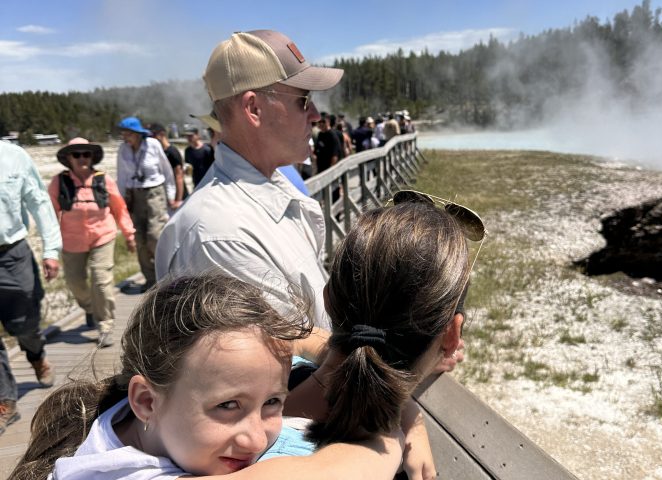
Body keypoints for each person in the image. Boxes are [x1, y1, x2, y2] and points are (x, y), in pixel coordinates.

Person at [10, 274, 404, 480]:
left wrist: (344, 354)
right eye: (228, 406)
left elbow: (297, 343)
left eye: (272, 402)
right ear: (146, 401)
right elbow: (340, 474)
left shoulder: (129, 421)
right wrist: (398, 423)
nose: (255, 439)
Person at [280, 195, 484, 479]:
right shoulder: (388, 462)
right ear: (452, 335)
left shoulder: (246, 407)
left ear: (327, 298)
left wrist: (409, 412)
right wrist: (404, 409)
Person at [156, 30, 344, 331]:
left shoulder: (264, 193)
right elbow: (291, 368)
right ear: (254, 108)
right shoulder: (218, 235)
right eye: (303, 100)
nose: (316, 115)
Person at [47, 138, 136, 348]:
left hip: (102, 236)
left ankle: (105, 325)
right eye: (76, 155)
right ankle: (89, 307)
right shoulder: (59, 182)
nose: (82, 158)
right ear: (68, 158)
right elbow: (50, 213)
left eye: (86, 154)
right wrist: (50, 247)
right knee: (75, 283)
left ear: (92, 157)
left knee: (101, 280)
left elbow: (119, 208)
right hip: (71, 240)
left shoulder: (103, 180)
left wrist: (129, 235)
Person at [0, 141, 61, 435]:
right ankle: (5, 400)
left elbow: (39, 202)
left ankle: (36, 356)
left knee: (25, 325)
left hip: (12, 255)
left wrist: (51, 249)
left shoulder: (14, 156)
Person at [116, 116, 176, 290]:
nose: (125, 137)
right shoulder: (123, 150)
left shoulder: (153, 145)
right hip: (134, 195)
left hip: (154, 193)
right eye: (124, 133)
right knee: (140, 239)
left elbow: (167, 171)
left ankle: (166, 274)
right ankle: (150, 279)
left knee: (154, 235)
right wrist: (121, 202)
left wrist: (171, 194)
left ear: (137, 133)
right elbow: (121, 175)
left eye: (128, 133)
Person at [149, 124, 187, 206]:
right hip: (167, 194)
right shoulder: (159, 152)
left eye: (153, 135)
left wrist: (178, 199)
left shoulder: (172, 152)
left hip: (177, 195)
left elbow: (179, 176)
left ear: (162, 134)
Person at [183, 126, 215, 190]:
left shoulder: (207, 149)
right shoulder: (188, 151)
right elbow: (188, 165)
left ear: (197, 135)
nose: (188, 138)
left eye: (191, 136)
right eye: (187, 136)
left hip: (209, 182)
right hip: (196, 182)